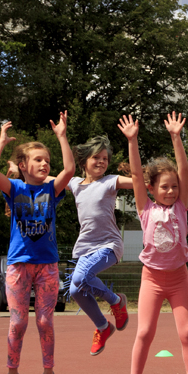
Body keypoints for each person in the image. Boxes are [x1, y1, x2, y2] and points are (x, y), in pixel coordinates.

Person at [118, 113, 188, 374]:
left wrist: (176, 137)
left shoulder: (181, 205)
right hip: (152, 280)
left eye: (174, 187)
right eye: (165, 187)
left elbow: (182, 169)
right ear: (152, 188)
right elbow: (135, 172)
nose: (171, 191)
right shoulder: (145, 208)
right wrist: (132, 140)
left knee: (187, 332)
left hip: (179, 279)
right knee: (144, 332)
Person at [0, 114, 75, 374]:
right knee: (18, 322)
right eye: (38, 160)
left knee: (45, 321)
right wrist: (1, 142)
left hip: (47, 265)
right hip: (19, 265)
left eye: (47, 160)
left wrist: (62, 136)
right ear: (23, 165)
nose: (44, 164)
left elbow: (70, 170)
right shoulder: (15, 189)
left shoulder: (52, 190)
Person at [69, 135, 131, 356]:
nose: (102, 162)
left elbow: (141, 183)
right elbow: (49, 179)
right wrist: (23, 173)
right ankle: (103, 327)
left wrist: (179, 178)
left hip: (109, 245)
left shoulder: (110, 181)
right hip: (85, 247)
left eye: (105, 158)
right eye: (96, 157)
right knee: (75, 290)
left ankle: (116, 301)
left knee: (80, 278)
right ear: (84, 160)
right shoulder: (75, 183)